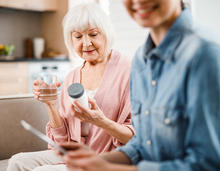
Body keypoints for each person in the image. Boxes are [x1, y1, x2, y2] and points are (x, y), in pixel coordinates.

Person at [57, 0, 220, 171]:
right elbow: (143, 145)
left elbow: (211, 165)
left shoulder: (205, 56)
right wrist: (95, 162)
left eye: (93, 34)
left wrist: (108, 168)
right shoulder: (141, 60)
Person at [7, 2, 134, 171]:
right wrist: (52, 105)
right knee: (18, 161)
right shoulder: (73, 76)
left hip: (108, 158)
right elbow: (61, 142)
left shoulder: (129, 71)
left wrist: (101, 122)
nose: (86, 43)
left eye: (93, 34)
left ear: (106, 34)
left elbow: (137, 139)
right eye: (78, 37)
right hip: (75, 154)